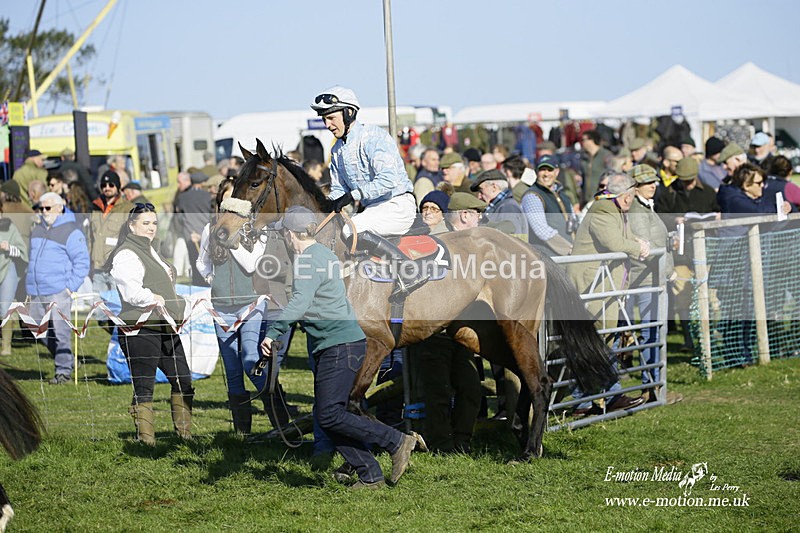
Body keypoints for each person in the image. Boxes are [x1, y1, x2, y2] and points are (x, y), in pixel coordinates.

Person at [260, 206, 424, 489]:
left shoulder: (308, 260)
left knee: (329, 414)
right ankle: (370, 475)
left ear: (289, 234)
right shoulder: (323, 253)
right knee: (330, 415)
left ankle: (396, 441)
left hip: (340, 346)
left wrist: (273, 331)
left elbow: (299, 302)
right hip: (339, 344)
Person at [196, 178, 294, 433]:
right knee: (232, 371)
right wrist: (211, 278)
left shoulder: (254, 232)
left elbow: (252, 265)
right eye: (228, 208)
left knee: (250, 358)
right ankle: (242, 433)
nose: (232, 214)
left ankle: (280, 418)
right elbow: (201, 262)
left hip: (250, 305)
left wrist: (233, 241)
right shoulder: (210, 229)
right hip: (221, 309)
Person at [311, 86, 421, 297]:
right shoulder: (336, 151)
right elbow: (338, 190)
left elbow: (388, 180)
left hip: (398, 205)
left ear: (349, 113)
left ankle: (409, 270)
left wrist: (353, 195)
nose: (327, 125)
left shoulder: (374, 137)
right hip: (373, 210)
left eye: (331, 118)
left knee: (349, 230)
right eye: (324, 119)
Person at [107, 203, 193, 444]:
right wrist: (151, 297)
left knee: (183, 378)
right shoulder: (126, 253)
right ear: (132, 225)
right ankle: (147, 442)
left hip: (166, 325)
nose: (151, 227)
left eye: (154, 223)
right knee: (145, 386)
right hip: (141, 327)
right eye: (146, 223)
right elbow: (131, 290)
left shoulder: (151, 248)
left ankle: (184, 436)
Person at [567, 172, 648, 415]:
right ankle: (586, 402)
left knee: (605, 342)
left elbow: (622, 238)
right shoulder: (603, 210)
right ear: (625, 196)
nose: (632, 200)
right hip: (593, 287)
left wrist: (638, 241)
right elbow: (613, 242)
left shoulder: (613, 210)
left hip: (606, 288)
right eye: (631, 195)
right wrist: (639, 248)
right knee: (593, 343)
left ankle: (608, 397)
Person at [655, 157, 720, 351]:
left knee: (708, 296)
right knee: (682, 297)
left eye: (690, 179)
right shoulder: (669, 194)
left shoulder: (708, 192)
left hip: (704, 251)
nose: (687, 183)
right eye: (684, 179)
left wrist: (714, 218)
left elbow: (716, 213)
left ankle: (710, 336)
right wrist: (673, 221)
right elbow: (658, 218)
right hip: (680, 254)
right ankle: (689, 339)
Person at [26, 192, 90, 384]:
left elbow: (82, 262)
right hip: (36, 290)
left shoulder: (72, 231)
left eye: (48, 208)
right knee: (37, 329)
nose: (43, 212)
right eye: (41, 208)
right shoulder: (37, 229)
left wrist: (70, 288)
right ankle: (67, 360)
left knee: (61, 332)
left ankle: (63, 372)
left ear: (60, 208)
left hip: (59, 290)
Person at [626, 165, 674, 402]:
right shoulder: (637, 211)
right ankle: (650, 386)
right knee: (649, 332)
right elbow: (647, 247)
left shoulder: (646, 207)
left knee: (652, 331)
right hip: (646, 278)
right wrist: (668, 270)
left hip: (654, 277)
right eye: (647, 182)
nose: (653, 185)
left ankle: (652, 385)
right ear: (634, 187)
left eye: (654, 181)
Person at [520, 155, 575, 256]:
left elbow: (573, 222)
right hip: (547, 257)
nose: (546, 174)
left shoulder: (564, 196)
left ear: (557, 172)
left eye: (549, 170)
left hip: (568, 255)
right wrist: (568, 249)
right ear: (537, 172)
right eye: (542, 170)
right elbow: (541, 230)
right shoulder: (532, 196)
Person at [90, 171, 133, 294]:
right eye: (104, 185)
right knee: (99, 309)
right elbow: (90, 237)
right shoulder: (95, 207)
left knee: (118, 306)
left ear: (118, 187)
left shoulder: (128, 208)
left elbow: (132, 237)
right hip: (98, 267)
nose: (107, 188)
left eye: (111, 185)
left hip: (117, 267)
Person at [174, 172, 213, 286]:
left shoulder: (182, 197)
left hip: (190, 234)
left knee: (195, 262)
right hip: (206, 234)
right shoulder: (207, 196)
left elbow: (179, 216)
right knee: (208, 262)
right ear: (202, 183)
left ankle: (198, 285)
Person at [0, 199, 27, 355]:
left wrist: (8, 247)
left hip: (8, 268)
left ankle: (6, 346)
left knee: (5, 308)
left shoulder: (9, 227)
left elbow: (22, 252)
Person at [471, 169, 528, 241]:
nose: (479, 196)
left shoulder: (508, 208)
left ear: (494, 187)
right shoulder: (502, 206)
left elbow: (510, 242)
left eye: (481, 191)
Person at [579, 130, 614, 206]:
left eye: (583, 140)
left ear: (591, 140)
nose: (582, 142)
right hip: (586, 200)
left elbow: (612, 175)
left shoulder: (606, 155)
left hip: (601, 199)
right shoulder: (584, 158)